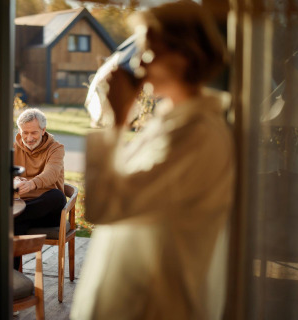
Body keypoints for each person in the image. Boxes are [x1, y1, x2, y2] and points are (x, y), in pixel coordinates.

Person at [70, 1, 235, 319]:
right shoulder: (171, 121)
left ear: (184, 55)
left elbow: (105, 206)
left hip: (156, 303)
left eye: (149, 52)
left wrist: (117, 120)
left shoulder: (197, 136)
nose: (139, 65)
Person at [13, 108, 66, 268]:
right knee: (15, 221)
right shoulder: (13, 148)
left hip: (48, 211)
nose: (29, 138)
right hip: (21, 207)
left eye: (34, 133)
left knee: (56, 196)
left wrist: (31, 184)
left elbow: (52, 173)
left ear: (43, 130)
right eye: (25, 132)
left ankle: (10, 275)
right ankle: (12, 275)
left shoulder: (56, 148)